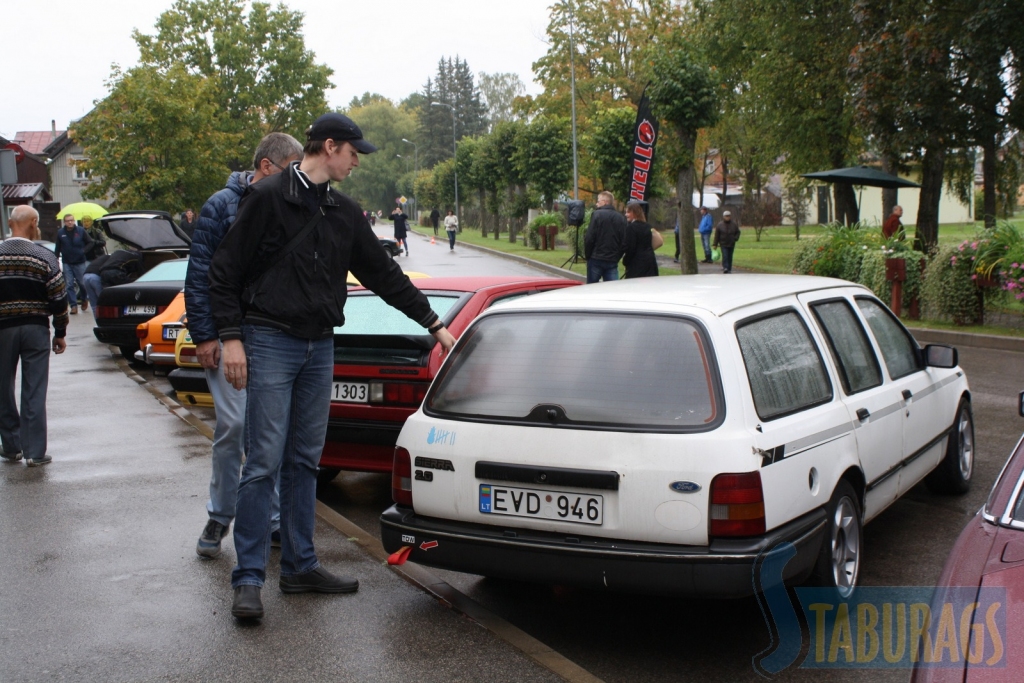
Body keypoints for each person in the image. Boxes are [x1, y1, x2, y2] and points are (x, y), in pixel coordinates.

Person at [208, 112, 456, 621]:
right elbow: (224, 271)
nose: (356, 161)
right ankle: (249, 578)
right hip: (269, 339)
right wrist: (231, 338)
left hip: (319, 345)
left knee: (304, 461)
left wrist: (434, 322)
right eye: (352, 152)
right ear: (327, 146)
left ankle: (300, 565)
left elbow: (385, 275)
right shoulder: (269, 197)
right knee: (262, 462)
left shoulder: (344, 212)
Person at [185, 132, 303, 561]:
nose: (298, 178)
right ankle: (220, 513)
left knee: (269, 431)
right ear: (268, 166)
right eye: (292, 168)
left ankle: (270, 517)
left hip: (269, 334)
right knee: (234, 426)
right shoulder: (221, 205)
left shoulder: (286, 203)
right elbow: (200, 275)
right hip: (224, 333)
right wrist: (206, 335)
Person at [0, 206, 68, 468]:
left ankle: (11, 445)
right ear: (34, 224)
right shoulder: (44, 256)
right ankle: (35, 452)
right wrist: (60, 332)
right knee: (34, 389)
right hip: (36, 330)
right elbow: (59, 298)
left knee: (3, 387)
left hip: (2, 330)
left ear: (10, 222)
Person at [82, 247, 145, 315]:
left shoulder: (115, 256)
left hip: (90, 275)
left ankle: (100, 322)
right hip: (101, 275)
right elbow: (142, 274)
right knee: (106, 301)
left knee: (96, 303)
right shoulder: (136, 257)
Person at [54, 213, 95, 314]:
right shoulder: (60, 233)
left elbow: (91, 242)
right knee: (69, 284)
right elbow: (57, 247)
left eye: (71, 220)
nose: (70, 222)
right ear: (64, 222)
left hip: (79, 261)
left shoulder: (80, 231)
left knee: (82, 283)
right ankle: (73, 305)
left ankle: (84, 299)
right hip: (67, 262)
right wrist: (55, 258)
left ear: (74, 221)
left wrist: (83, 251)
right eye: (68, 221)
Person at [584, 191, 627, 283]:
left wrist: (588, 255)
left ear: (604, 202)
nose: (596, 203)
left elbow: (590, 237)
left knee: (591, 288)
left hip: (596, 257)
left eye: (598, 201)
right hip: (612, 259)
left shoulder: (597, 215)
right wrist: (617, 257)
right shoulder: (620, 218)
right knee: (612, 290)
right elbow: (624, 241)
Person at [622, 202, 663, 279]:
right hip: (650, 262)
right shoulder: (647, 226)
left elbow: (631, 248)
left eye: (628, 212)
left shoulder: (631, 228)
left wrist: (626, 261)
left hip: (637, 264)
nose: (626, 215)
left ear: (634, 213)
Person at [712, 210, 741, 274]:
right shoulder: (720, 225)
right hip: (723, 243)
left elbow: (738, 232)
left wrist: (735, 238)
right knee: (725, 255)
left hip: (731, 243)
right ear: (723, 217)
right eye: (726, 216)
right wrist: (715, 244)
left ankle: (729, 268)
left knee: (730, 256)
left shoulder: (734, 224)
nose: (727, 217)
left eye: (728, 216)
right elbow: (717, 235)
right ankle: (725, 267)